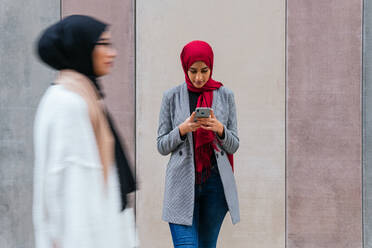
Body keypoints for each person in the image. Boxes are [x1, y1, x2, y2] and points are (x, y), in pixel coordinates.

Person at [33, 15, 137, 248]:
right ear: (81, 48)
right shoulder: (68, 103)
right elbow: (72, 194)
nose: (113, 53)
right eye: (104, 44)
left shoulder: (84, 95)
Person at [157, 40, 240, 248]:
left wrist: (219, 129)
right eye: (193, 71)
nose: (199, 77)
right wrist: (182, 130)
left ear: (211, 67)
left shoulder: (225, 95)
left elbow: (234, 145)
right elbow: (161, 145)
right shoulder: (171, 96)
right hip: (181, 184)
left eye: (204, 70)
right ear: (185, 67)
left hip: (215, 183)